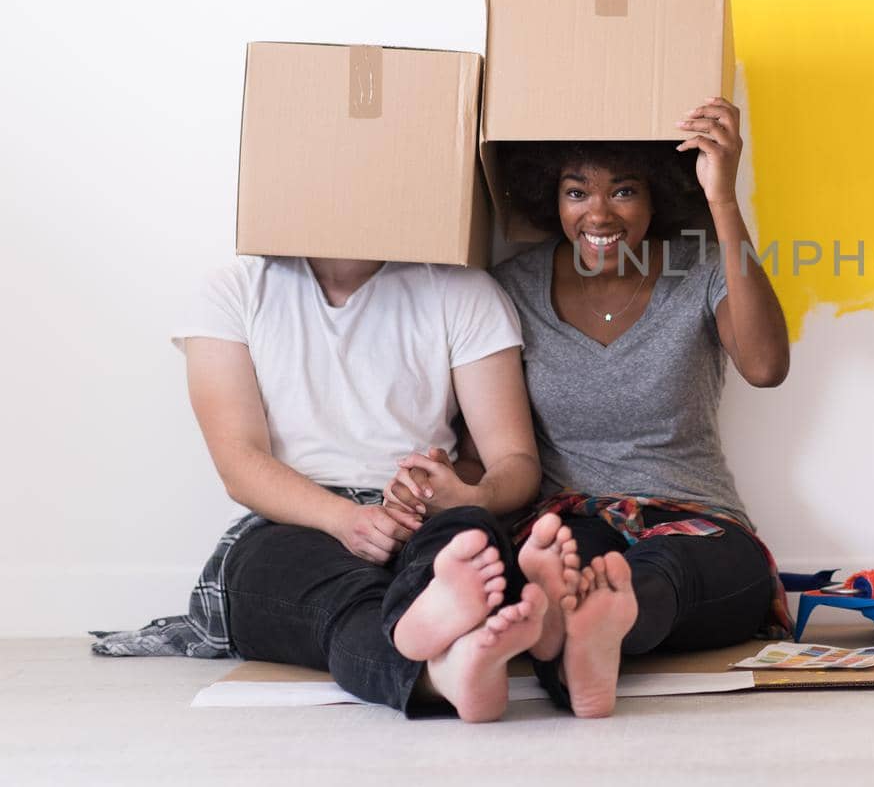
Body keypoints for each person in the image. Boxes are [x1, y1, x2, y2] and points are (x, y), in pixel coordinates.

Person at [390, 95, 791, 718]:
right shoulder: (512, 287)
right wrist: (445, 486)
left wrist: (723, 199)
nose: (599, 213)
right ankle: (578, 631)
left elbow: (766, 367)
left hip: (696, 519)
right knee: (571, 558)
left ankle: (589, 625)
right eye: (577, 192)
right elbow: (486, 448)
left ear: (659, 194)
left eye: (624, 191)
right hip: (566, 517)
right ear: (551, 197)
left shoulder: (705, 267)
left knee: (668, 569)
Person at [93, 255, 580, 722]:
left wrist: (466, 495)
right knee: (343, 597)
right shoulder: (233, 289)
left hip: (422, 514)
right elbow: (238, 464)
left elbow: (514, 464)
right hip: (291, 521)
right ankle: (440, 666)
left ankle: (454, 639)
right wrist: (344, 520)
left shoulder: (462, 289)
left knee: (471, 533)